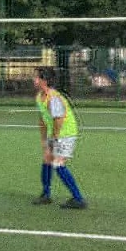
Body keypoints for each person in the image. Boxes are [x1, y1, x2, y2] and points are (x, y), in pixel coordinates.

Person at [32, 66, 87, 209]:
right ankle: (46, 194)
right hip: (54, 134)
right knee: (47, 160)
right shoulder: (40, 97)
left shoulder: (54, 98)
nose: (34, 80)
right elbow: (43, 119)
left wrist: (55, 139)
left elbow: (59, 120)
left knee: (58, 163)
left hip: (65, 134)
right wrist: (45, 141)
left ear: (44, 80)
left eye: (36, 77)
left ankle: (78, 198)